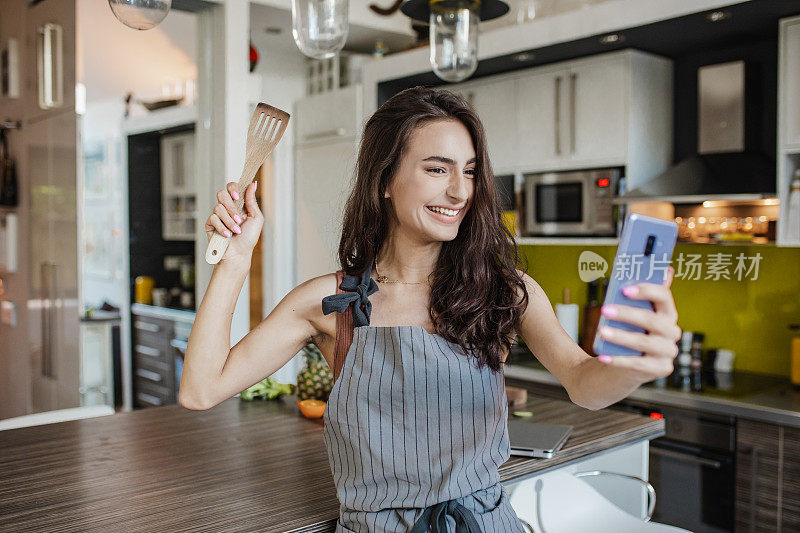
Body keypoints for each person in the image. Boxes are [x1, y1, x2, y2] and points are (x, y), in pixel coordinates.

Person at [181, 86, 682, 532]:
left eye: (468, 171)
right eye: (436, 169)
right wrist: (235, 261)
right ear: (384, 179)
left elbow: (583, 382)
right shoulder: (328, 303)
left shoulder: (504, 290)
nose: (460, 191)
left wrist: (632, 366)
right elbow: (202, 390)